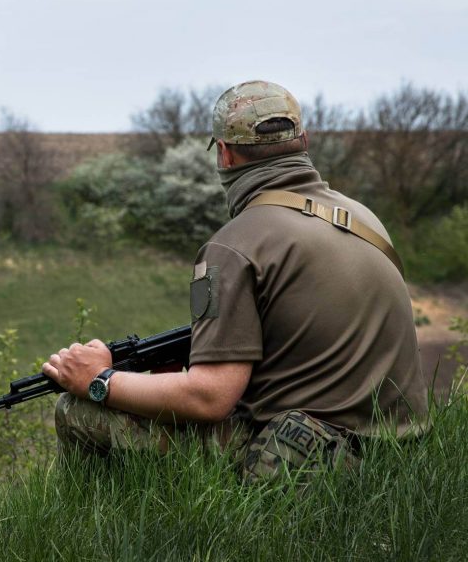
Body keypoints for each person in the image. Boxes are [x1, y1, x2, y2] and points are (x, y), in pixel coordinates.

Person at [42, 80, 429, 481]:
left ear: (224, 154)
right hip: (399, 453)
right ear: (304, 140)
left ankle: (103, 533)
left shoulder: (233, 247)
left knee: (77, 411)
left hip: (306, 460)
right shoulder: (364, 219)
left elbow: (210, 397)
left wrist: (100, 380)